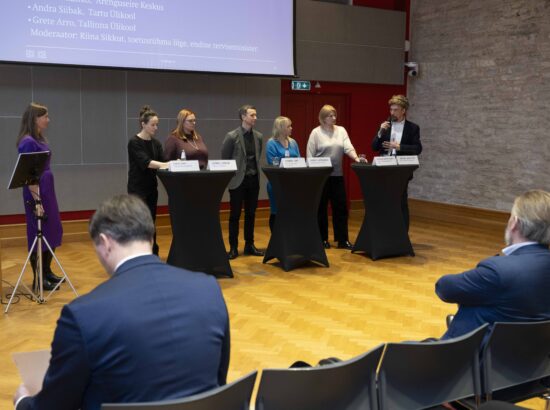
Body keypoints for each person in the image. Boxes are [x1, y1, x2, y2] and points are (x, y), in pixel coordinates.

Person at [13, 194, 230, 410]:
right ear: (150, 237)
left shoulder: (82, 315)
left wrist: (23, 402)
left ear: (105, 242)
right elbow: (219, 384)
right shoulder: (208, 289)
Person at [436, 189, 550, 340]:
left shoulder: (498, 271)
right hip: (534, 350)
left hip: (479, 350)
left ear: (514, 223)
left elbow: (444, 288)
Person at [16, 102, 64, 291]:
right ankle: (39, 278)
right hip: (36, 190)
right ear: (35, 119)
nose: (48, 120)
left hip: (47, 189)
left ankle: (47, 271)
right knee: (38, 232)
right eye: (45, 116)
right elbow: (29, 175)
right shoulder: (27, 142)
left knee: (53, 229)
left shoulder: (38, 138)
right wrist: (37, 201)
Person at [306, 105, 365, 250]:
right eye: (330, 116)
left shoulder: (341, 130)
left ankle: (342, 240)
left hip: (337, 175)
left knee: (341, 207)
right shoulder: (316, 132)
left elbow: (348, 147)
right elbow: (309, 155)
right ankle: (322, 239)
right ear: (323, 118)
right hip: (320, 177)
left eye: (334, 115)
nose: (334, 118)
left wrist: (356, 158)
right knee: (321, 208)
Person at [371, 94, 422, 230]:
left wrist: (399, 147)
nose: (392, 112)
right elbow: (374, 147)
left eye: (395, 110)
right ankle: (385, 230)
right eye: (391, 109)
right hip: (384, 168)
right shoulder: (385, 126)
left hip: (401, 170)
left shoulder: (413, 128)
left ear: (403, 110)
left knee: (400, 201)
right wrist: (380, 132)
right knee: (383, 201)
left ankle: (402, 233)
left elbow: (417, 148)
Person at [221, 104, 264, 259]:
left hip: (253, 180)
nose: (255, 118)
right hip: (238, 181)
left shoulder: (258, 136)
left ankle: (249, 245)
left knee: (251, 214)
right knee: (235, 215)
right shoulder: (232, 136)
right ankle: (233, 247)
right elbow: (225, 158)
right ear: (243, 117)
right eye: (252, 115)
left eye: (255, 115)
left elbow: (257, 157)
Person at [127, 105, 168, 256]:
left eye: (157, 124)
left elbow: (163, 162)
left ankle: (152, 253)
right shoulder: (134, 142)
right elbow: (146, 162)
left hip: (151, 189)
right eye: (153, 124)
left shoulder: (156, 144)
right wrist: (166, 164)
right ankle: (138, 255)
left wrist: (174, 164)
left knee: (151, 222)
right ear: (143, 124)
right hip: (137, 189)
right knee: (139, 223)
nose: (156, 128)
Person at [265, 116, 301, 232]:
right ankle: (276, 238)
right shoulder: (271, 143)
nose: (291, 128)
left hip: (292, 184)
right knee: (276, 211)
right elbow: (272, 163)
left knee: (290, 212)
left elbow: (299, 160)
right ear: (281, 128)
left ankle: (289, 238)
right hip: (277, 183)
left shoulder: (293, 142)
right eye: (288, 126)